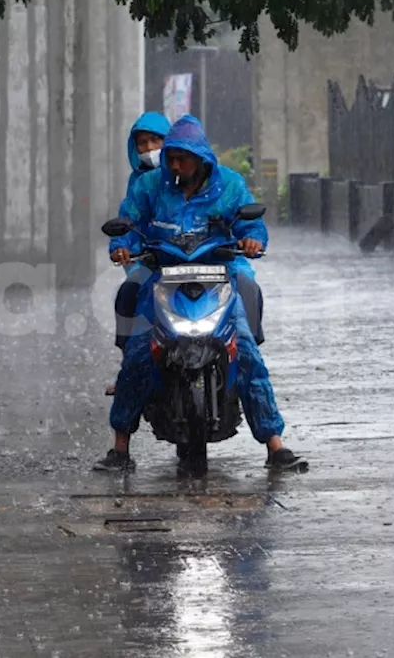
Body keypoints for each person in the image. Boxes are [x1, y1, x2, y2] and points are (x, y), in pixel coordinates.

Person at [94, 115, 304, 472]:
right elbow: (128, 224)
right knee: (138, 355)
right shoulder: (149, 187)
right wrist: (122, 246)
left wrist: (252, 239)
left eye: (182, 158)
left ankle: (275, 445)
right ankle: (120, 447)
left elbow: (250, 223)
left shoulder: (231, 187)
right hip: (163, 278)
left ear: (201, 157)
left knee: (247, 352)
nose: (173, 165)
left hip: (219, 276)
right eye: (171, 158)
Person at [106, 113, 172, 396]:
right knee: (129, 295)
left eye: (155, 140)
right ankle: (129, 369)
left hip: (194, 258)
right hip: (152, 258)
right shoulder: (138, 184)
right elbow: (129, 221)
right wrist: (121, 246)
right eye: (142, 143)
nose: (148, 149)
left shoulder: (203, 176)